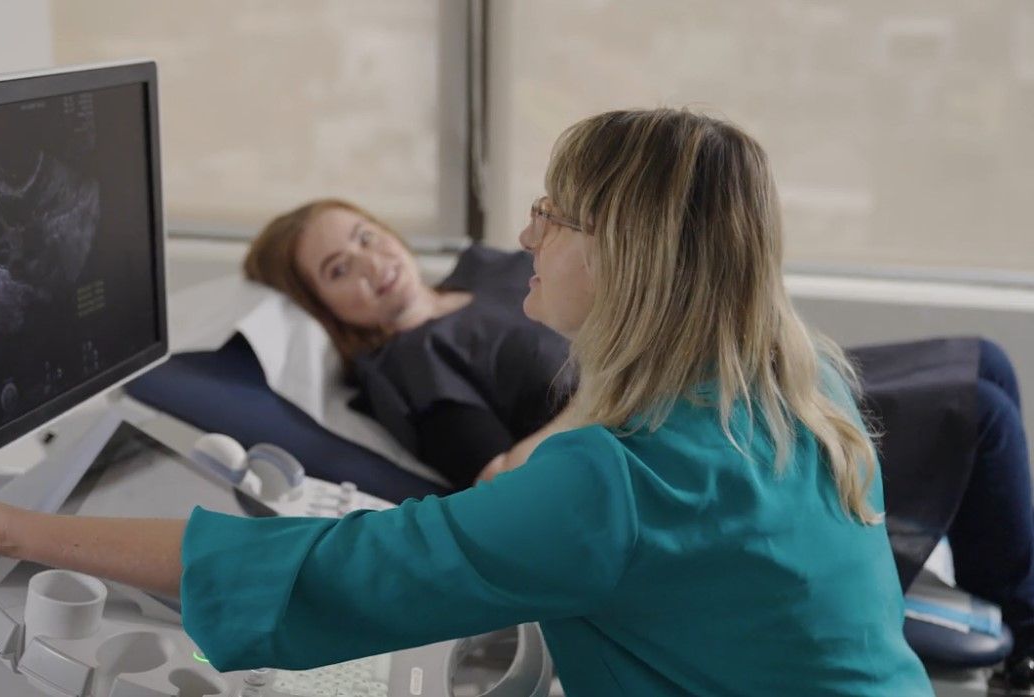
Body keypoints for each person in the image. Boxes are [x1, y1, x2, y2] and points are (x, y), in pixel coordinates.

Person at [0, 108, 933, 694]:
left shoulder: (607, 487)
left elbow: (324, 573)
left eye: (554, 215)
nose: (524, 234)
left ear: (632, 257)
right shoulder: (803, 379)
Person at [246, 199, 1034, 690]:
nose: (371, 263)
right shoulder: (416, 360)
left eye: (365, 236)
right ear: (328, 307)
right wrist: (602, 393)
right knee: (984, 412)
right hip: (681, 426)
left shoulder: (481, 269)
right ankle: (1028, 634)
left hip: (715, 372)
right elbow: (496, 476)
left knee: (986, 362)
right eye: (338, 269)